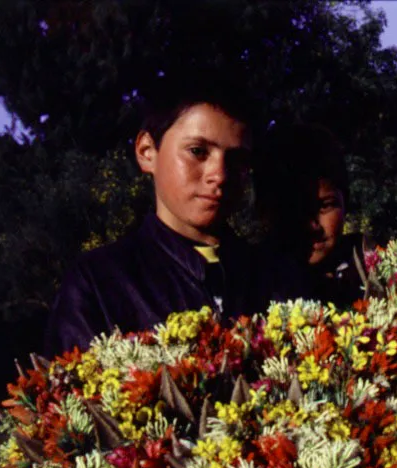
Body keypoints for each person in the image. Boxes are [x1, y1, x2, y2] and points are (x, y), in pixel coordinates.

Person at [44, 72, 304, 355]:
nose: (219, 174)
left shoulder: (277, 279)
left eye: (237, 159)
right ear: (146, 151)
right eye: (198, 151)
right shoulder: (98, 284)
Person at [255, 123, 364, 308]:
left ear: (346, 203)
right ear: (266, 211)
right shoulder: (248, 285)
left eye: (326, 206)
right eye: (296, 207)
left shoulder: (368, 268)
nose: (313, 225)